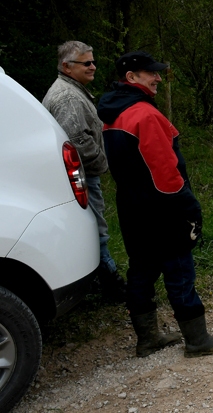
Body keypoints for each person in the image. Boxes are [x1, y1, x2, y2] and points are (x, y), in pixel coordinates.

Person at [97, 50, 213, 358]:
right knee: (179, 270)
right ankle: (197, 340)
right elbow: (165, 174)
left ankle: (147, 339)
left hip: (131, 206)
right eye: (151, 73)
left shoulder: (114, 114)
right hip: (162, 208)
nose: (158, 77)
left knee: (141, 270)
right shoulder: (145, 115)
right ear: (131, 77)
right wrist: (189, 207)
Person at [42, 41, 127, 303]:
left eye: (93, 61)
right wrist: (103, 163)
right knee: (95, 229)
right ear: (67, 67)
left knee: (91, 227)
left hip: (78, 174)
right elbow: (78, 141)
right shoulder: (67, 97)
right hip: (81, 175)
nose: (93, 66)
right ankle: (111, 285)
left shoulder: (71, 90)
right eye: (86, 63)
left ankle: (98, 283)